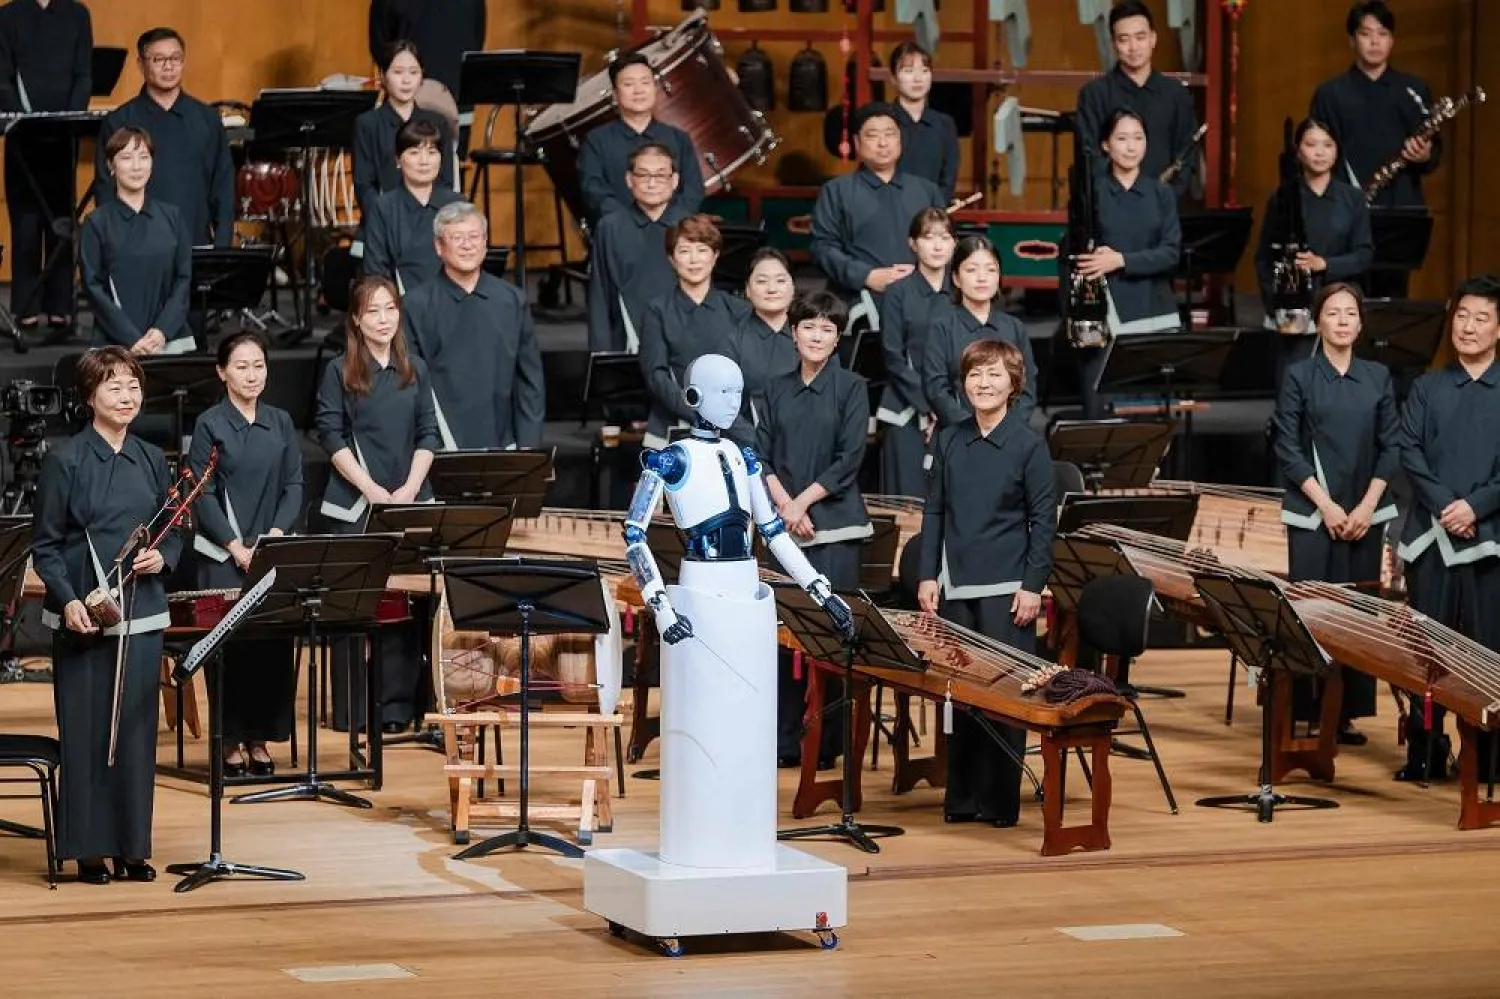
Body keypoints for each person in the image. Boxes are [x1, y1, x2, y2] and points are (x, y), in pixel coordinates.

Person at [33, 346, 183, 885]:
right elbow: (46, 546)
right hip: (83, 616)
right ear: (89, 396)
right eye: (115, 386)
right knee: (88, 731)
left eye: (134, 386)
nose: (127, 396)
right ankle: (90, 850)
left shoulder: (149, 457)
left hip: (142, 614)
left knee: (138, 734)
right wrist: (69, 599)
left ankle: (132, 848)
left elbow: (174, 526)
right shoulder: (64, 460)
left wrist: (165, 556)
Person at [918, 338, 1055, 828]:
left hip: (1008, 589)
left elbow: (1044, 521)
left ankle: (999, 804)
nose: (983, 383)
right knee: (963, 696)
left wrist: (1032, 586)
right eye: (975, 374)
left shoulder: (1028, 444)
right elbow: (934, 510)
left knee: (1005, 699)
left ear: (1013, 383)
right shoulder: (950, 438)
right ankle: (961, 800)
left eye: (995, 374)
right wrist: (928, 574)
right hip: (956, 587)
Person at [1273, 283, 1398, 743]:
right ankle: (1305, 710)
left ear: (1361, 324)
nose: (1343, 320)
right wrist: (1326, 506)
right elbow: (1286, 445)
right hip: (1313, 513)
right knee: (1314, 612)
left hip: (1365, 513)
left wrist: (1366, 507)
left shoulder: (1378, 377)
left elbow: (1392, 446)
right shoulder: (1299, 375)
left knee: (1356, 616)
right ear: (1318, 321)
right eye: (1333, 312)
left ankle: (1343, 714)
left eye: (1350, 313)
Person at [316, 275, 440, 732]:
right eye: (373, 311)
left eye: (390, 309)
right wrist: (369, 489)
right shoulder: (338, 370)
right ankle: (355, 710)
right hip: (356, 505)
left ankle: (398, 708)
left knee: (406, 607)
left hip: (408, 498)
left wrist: (409, 489)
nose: (383, 319)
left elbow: (427, 432)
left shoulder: (415, 369)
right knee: (359, 606)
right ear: (355, 318)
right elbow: (329, 433)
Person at [1395, 275, 1500, 783]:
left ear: (1498, 329)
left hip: (1488, 540)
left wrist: (1475, 507)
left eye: (1481, 318)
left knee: (1488, 651)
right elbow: (1408, 451)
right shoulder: (1427, 386)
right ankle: (1425, 753)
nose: (1469, 326)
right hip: (1430, 537)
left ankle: (1491, 756)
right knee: (1425, 656)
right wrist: (1445, 506)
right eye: (1462, 315)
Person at [759, 291, 870, 767]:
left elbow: (850, 458)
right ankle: (784, 743)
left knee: (832, 640)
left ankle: (828, 747)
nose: (817, 335)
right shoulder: (773, 386)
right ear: (793, 331)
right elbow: (759, 455)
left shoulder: (852, 387)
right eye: (809, 326)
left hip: (837, 531)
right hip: (784, 530)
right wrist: (785, 505)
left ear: (838, 338)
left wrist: (802, 501)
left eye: (827, 328)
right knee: (782, 641)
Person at [187, 332, 303, 775]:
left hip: (270, 552)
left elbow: (294, 485)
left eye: (258, 365)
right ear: (222, 372)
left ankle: (261, 737)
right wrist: (235, 547)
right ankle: (230, 740)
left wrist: (272, 537)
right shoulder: (210, 424)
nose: (251, 374)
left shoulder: (280, 421)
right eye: (241, 366)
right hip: (223, 554)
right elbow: (203, 494)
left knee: (271, 646)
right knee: (230, 649)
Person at [1310, 2, 1439, 298]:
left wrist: (1425, 155)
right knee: (1343, 297)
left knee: (1391, 299)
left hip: (1399, 211)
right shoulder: (1331, 93)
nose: (1375, 42)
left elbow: (1434, 154)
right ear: (1352, 40)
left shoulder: (1414, 90)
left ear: (1392, 40)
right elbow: (1315, 153)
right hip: (1344, 212)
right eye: (1366, 34)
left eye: (1382, 34)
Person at [403, 201, 545, 451]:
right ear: (438, 246)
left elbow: (530, 382)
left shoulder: (512, 299)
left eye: (474, 236)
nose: (467, 245)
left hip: (503, 444)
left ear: (485, 241)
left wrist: (529, 447)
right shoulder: (415, 304)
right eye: (457, 238)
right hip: (439, 447)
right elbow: (409, 385)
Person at [1074, 108, 1182, 419]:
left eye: (1138, 138)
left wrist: (1120, 260)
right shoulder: (1092, 192)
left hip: (1153, 307)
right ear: (1106, 145)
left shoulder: (1160, 193)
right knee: (1100, 405)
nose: (1131, 146)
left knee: (1149, 410)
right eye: (1122, 138)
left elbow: (1171, 253)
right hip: (1103, 309)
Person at [95, 28, 234, 250]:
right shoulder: (120, 120)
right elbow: (105, 191)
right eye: (158, 59)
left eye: (175, 58)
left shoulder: (206, 119)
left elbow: (224, 187)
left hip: (196, 246)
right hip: (137, 250)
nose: (168, 66)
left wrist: (222, 244)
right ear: (141, 64)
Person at [0, 0, 92, 333]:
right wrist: (23, 119)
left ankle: (60, 308)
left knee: (63, 221)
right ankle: (25, 307)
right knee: (25, 223)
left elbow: (84, 74)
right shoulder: (8, 15)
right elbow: (3, 75)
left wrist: (68, 119)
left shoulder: (78, 14)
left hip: (63, 134)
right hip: (22, 133)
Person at [810, 102, 946, 318]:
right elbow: (823, 248)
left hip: (921, 301)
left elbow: (944, 245)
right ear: (856, 142)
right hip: (858, 300)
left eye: (890, 134)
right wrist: (867, 276)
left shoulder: (926, 191)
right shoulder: (836, 191)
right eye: (872, 135)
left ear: (900, 139)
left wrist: (922, 274)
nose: (883, 143)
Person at [637, 214, 751, 449]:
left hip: (730, 425)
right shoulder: (657, 310)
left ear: (715, 255)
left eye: (702, 250)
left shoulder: (738, 310)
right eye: (684, 251)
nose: (694, 259)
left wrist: (724, 415)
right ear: (671, 259)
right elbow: (656, 376)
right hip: (673, 425)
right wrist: (702, 412)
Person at [80, 127, 194, 355]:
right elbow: (93, 288)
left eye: (143, 157)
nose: (136, 166)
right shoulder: (97, 222)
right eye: (126, 157)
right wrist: (131, 338)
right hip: (116, 344)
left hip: (171, 339)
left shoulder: (172, 216)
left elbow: (184, 280)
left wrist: (162, 331)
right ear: (111, 167)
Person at [1255, 118, 1374, 333]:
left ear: (1337, 151)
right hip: (1292, 309)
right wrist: (1274, 306)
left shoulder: (1353, 199)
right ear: (1298, 151)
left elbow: (1363, 255)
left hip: (1338, 306)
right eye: (1311, 145)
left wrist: (1325, 264)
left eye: (1328, 145)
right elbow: (1264, 258)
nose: (1320, 152)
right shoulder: (1282, 197)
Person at [1074, 0, 1199, 197]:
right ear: (1114, 44)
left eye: (1140, 37)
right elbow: (1090, 158)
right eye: (1124, 39)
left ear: (1153, 39)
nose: (1133, 47)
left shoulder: (1176, 94)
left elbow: (1186, 157)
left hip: (1165, 210)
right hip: (1110, 210)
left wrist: (1165, 200)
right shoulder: (1094, 95)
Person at [923, 234, 1037, 430]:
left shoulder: (1014, 327)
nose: (982, 278)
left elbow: (1027, 388)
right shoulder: (941, 327)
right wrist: (974, 430)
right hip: (958, 436)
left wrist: (1006, 429)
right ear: (956, 278)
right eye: (971, 270)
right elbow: (936, 389)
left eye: (991, 270)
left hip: (1009, 436)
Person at [878, 207, 955, 497]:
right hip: (906, 407)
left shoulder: (961, 292)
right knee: (905, 499)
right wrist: (929, 404)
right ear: (913, 243)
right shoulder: (898, 292)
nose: (937, 245)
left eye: (945, 237)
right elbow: (893, 356)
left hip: (954, 406)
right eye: (928, 237)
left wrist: (945, 405)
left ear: (954, 244)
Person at [577, 53, 703, 226]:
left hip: (670, 234)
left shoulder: (678, 138)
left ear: (655, 89)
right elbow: (593, 191)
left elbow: (693, 190)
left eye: (645, 83)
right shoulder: (596, 140)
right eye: (628, 84)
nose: (638, 90)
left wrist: (668, 221)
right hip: (619, 232)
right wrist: (629, 222)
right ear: (614, 95)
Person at [586, 142, 690, 353]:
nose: (652, 184)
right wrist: (601, 350)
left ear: (675, 180)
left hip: (683, 342)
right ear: (629, 179)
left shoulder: (689, 226)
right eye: (643, 175)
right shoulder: (610, 227)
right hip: (625, 341)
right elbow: (600, 293)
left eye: (660, 176)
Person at [353, 39, 456, 217]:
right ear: (383, 76)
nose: (406, 80)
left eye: (414, 72)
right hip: (383, 220)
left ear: (422, 76)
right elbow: (364, 185)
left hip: (429, 221)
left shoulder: (438, 122)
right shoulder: (367, 124)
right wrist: (383, 220)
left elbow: (445, 182)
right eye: (398, 72)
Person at [361, 118, 464, 294]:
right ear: (398, 160)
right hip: (404, 307)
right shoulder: (384, 208)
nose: (424, 161)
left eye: (432, 152)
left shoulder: (457, 205)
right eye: (414, 152)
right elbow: (375, 272)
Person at [368, 0, 485, 147]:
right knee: (454, 166)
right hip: (458, 100)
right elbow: (476, 42)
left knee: (402, 164)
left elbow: (381, 48)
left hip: (406, 102)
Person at [725, 247, 797, 435]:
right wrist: (759, 444)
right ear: (748, 290)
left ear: (793, 287)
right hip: (751, 449)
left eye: (780, 280)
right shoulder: (732, 341)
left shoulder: (813, 337)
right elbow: (724, 408)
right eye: (761, 281)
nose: (772, 289)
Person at [889, 41, 959, 203]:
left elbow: (948, 178)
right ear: (893, 78)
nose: (918, 78)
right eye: (908, 71)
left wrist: (934, 210)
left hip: (932, 217)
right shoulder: (883, 121)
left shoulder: (944, 125)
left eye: (925, 70)